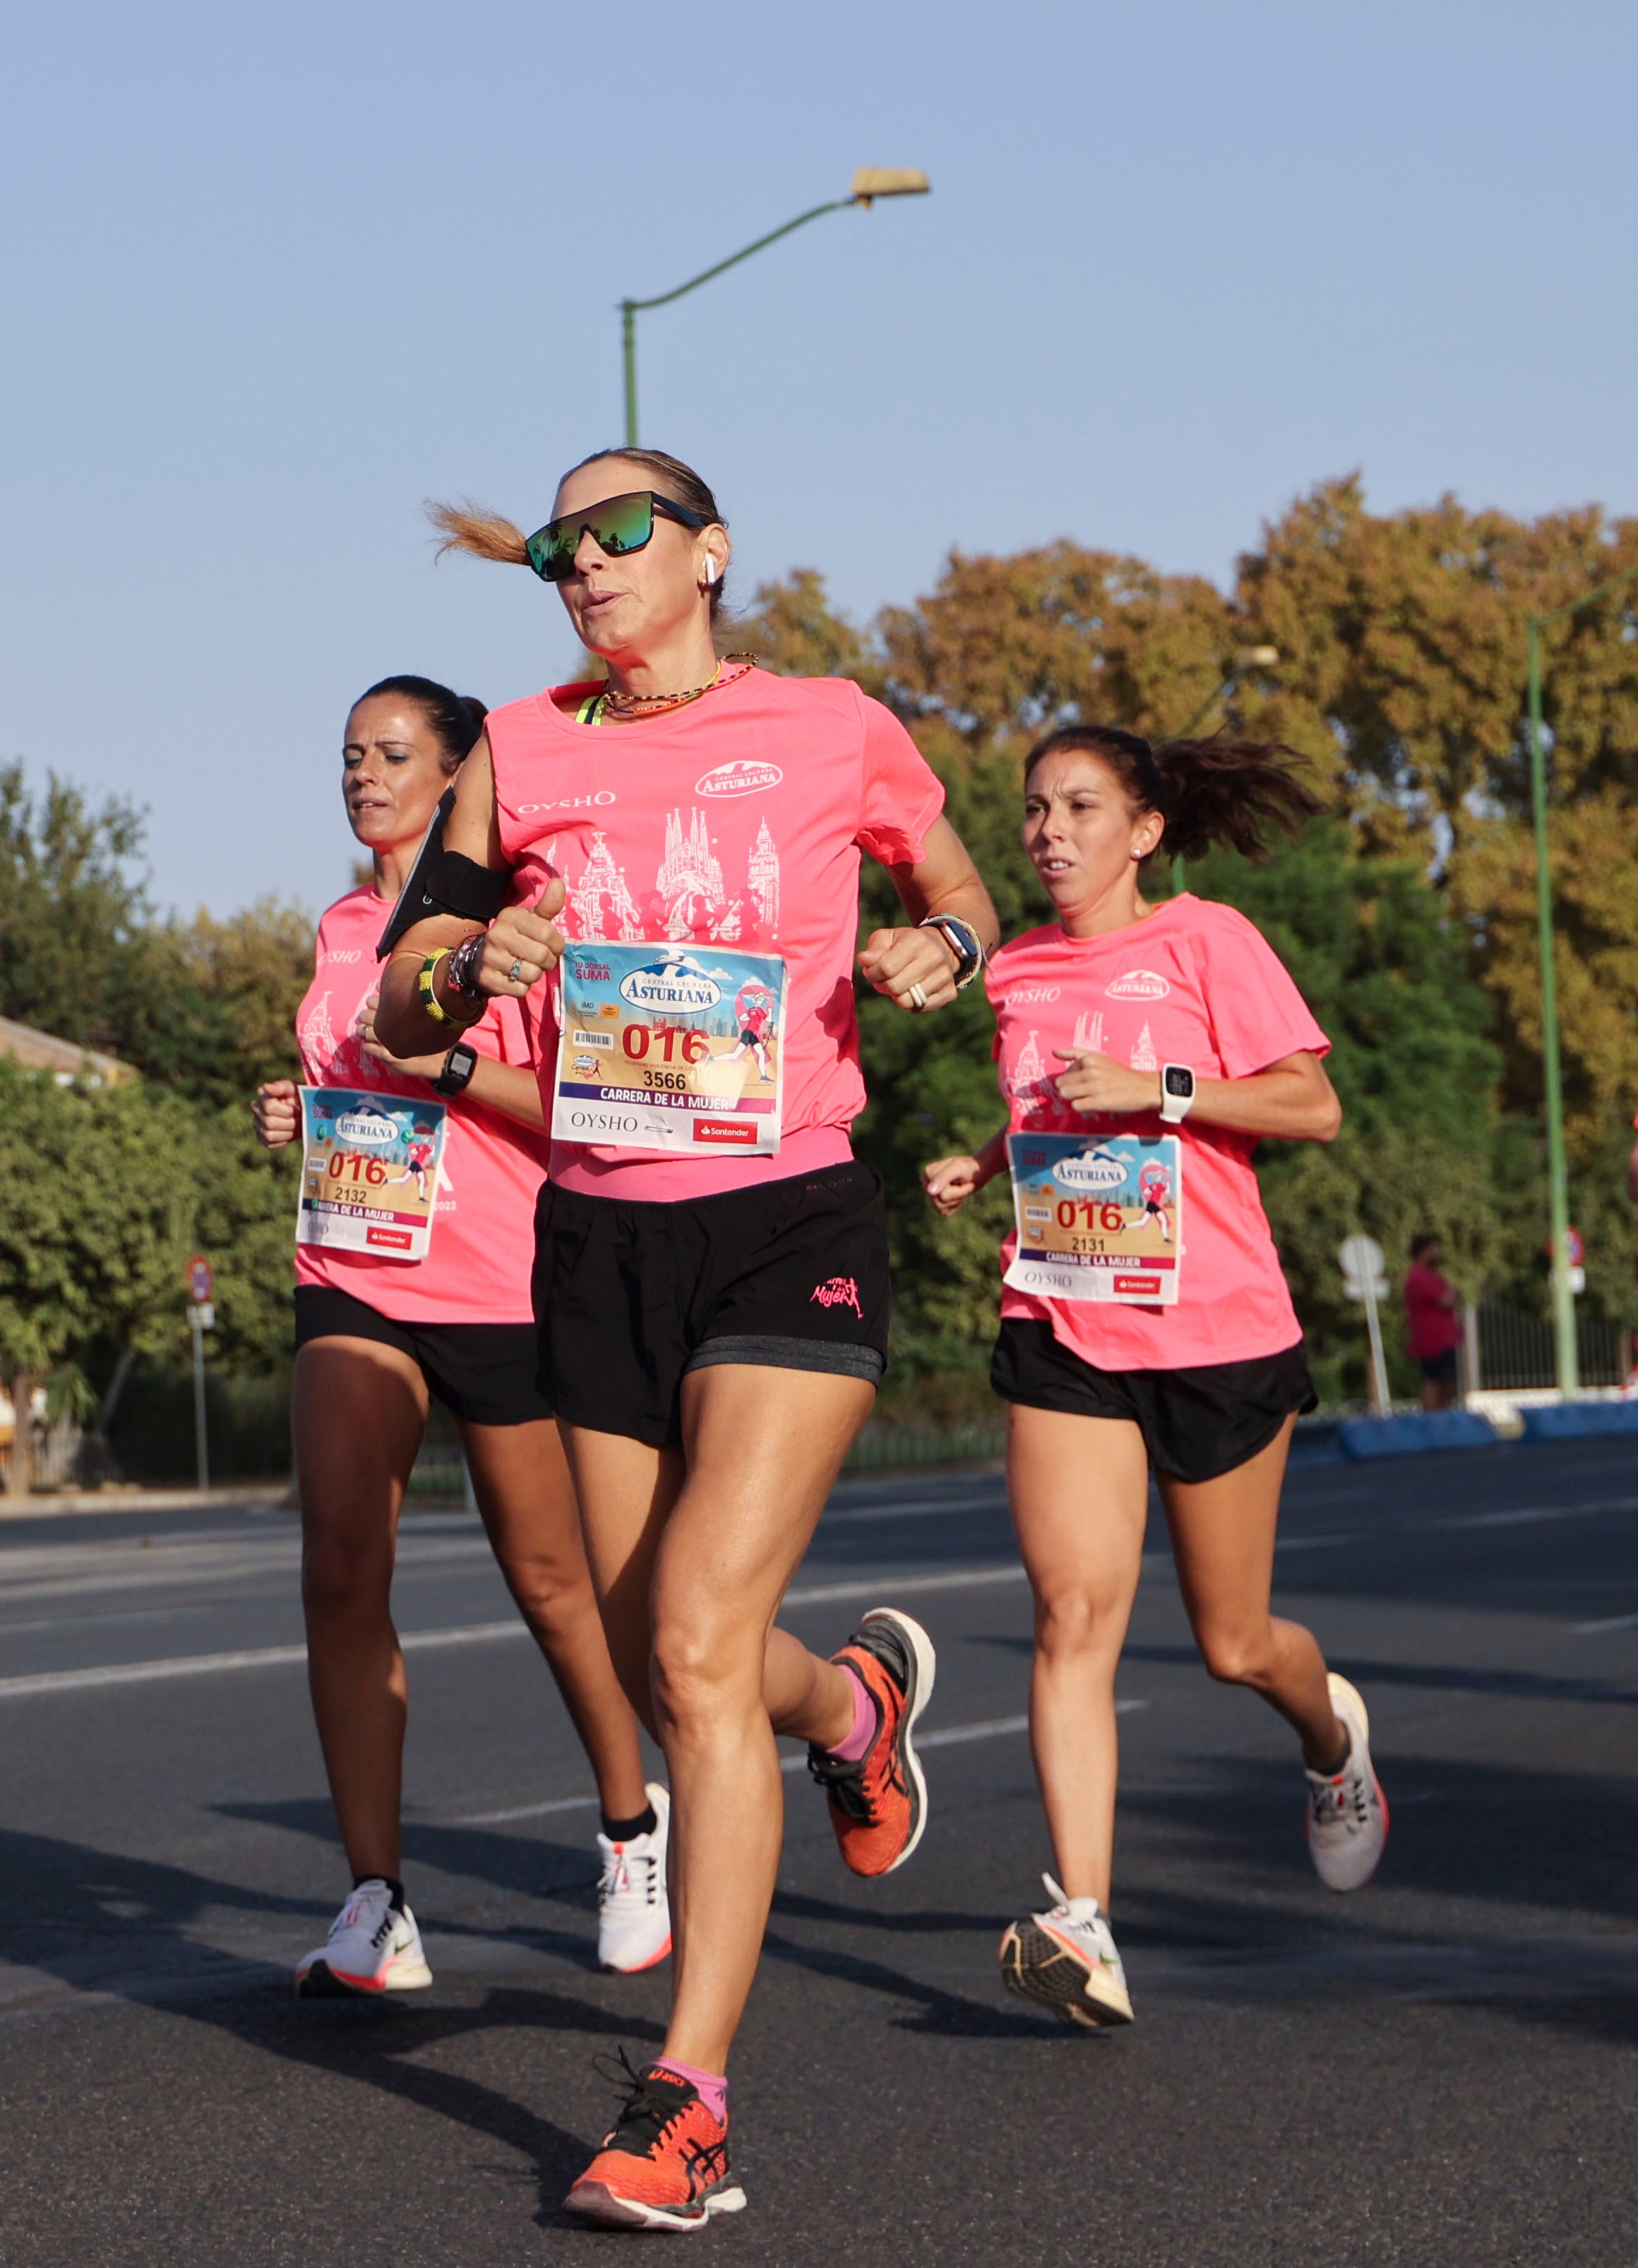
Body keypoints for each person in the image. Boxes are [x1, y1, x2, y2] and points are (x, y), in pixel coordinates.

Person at [375, 450, 1000, 2232]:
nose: (585, 560)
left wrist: (936, 950)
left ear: (707, 552)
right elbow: (401, 995)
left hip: (788, 1217)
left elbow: (959, 889)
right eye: (562, 542)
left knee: (703, 1639)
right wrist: (473, 954)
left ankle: (691, 2091)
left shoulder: (825, 723)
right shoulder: (520, 744)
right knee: (678, 1656)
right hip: (599, 1230)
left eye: (620, 529)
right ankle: (859, 1702)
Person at [921, 724, 1387, 2032]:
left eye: (1078, 806)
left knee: (1234, 1642)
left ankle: (1331, 1743)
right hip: (1064, 1318)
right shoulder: (1010, 968)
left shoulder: (1205, 939)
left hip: (1216, 1330)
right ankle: (1083, 1918)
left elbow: (1307, 1104)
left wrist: (1163, 1087)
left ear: (1143, 829)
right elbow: (1050, 1107)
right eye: (1030, 809)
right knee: (1072, 1616)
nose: (1046, 831)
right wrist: (982, 1155)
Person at [251, 674, 668, 2000]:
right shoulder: (335, 928)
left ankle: (627, 1829)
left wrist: (436, 1065)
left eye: (391, 754)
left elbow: (586, 1104)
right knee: (336, 1560)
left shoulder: (522, 921)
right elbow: (348, 1078)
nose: (362, 776)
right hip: (352, 1268)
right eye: (347, 755)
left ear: (458, 780)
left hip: (501, 1282)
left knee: (554, 1583)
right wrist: (301, 1110)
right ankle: (374, 1900)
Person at [1404, 1234, 1462, 1411]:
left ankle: (1440, 1414)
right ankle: (1433, 1416)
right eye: (1435, 1249)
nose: (1438, 1253)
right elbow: (1445, 1300)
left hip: (1440, 1339)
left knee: (1445, 1381)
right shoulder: (1421, 1276)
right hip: (1434, 1340)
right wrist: (1456, 1294)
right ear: (1425, 1251)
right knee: (1436, 1380)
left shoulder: (1428, 1276)